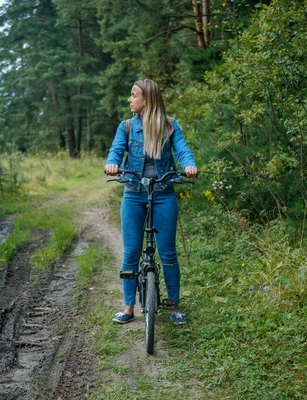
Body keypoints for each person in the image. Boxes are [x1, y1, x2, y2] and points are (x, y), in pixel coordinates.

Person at [105, 79, 198, 325]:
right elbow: (116, 150)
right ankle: (128, 307)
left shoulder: (169, 126)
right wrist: (112, 164)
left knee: (167, 253)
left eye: (134, 95)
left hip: (163, 193)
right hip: (134, 193)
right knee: (131, 251)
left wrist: (189, 164)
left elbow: (182, 150)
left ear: (147, 99)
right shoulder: (125, 127)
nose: (129, 99)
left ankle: (174, 306)